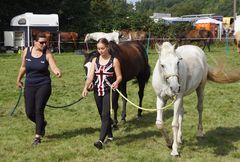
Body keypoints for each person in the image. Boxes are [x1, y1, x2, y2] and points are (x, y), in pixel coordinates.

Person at [16, 33, 61, 146]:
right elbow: (23, 67)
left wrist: (57, 71)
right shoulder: (27, 51)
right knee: (30, 113)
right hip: (30, 85)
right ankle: (42, 124)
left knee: (38, 109)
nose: (44, 44)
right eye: (41, 42)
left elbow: (53, 66)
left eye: (46, 42)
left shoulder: (47, 53)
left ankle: (37, 137)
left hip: (44, 85)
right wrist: (19, 79)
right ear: (34, 42)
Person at [82, 38, 122, 149]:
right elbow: (90, 76)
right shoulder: (95, 60)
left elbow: (119, 76)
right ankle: (110, 135)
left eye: (102, 48)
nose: (100, 51)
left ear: (107, 47)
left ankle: (100, 141)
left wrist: (116, 82)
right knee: (102, 115)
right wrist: (85, 87)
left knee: (105, 115)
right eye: (98, 49)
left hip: (108, 91)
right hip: (97, 90)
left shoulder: (114, 61)